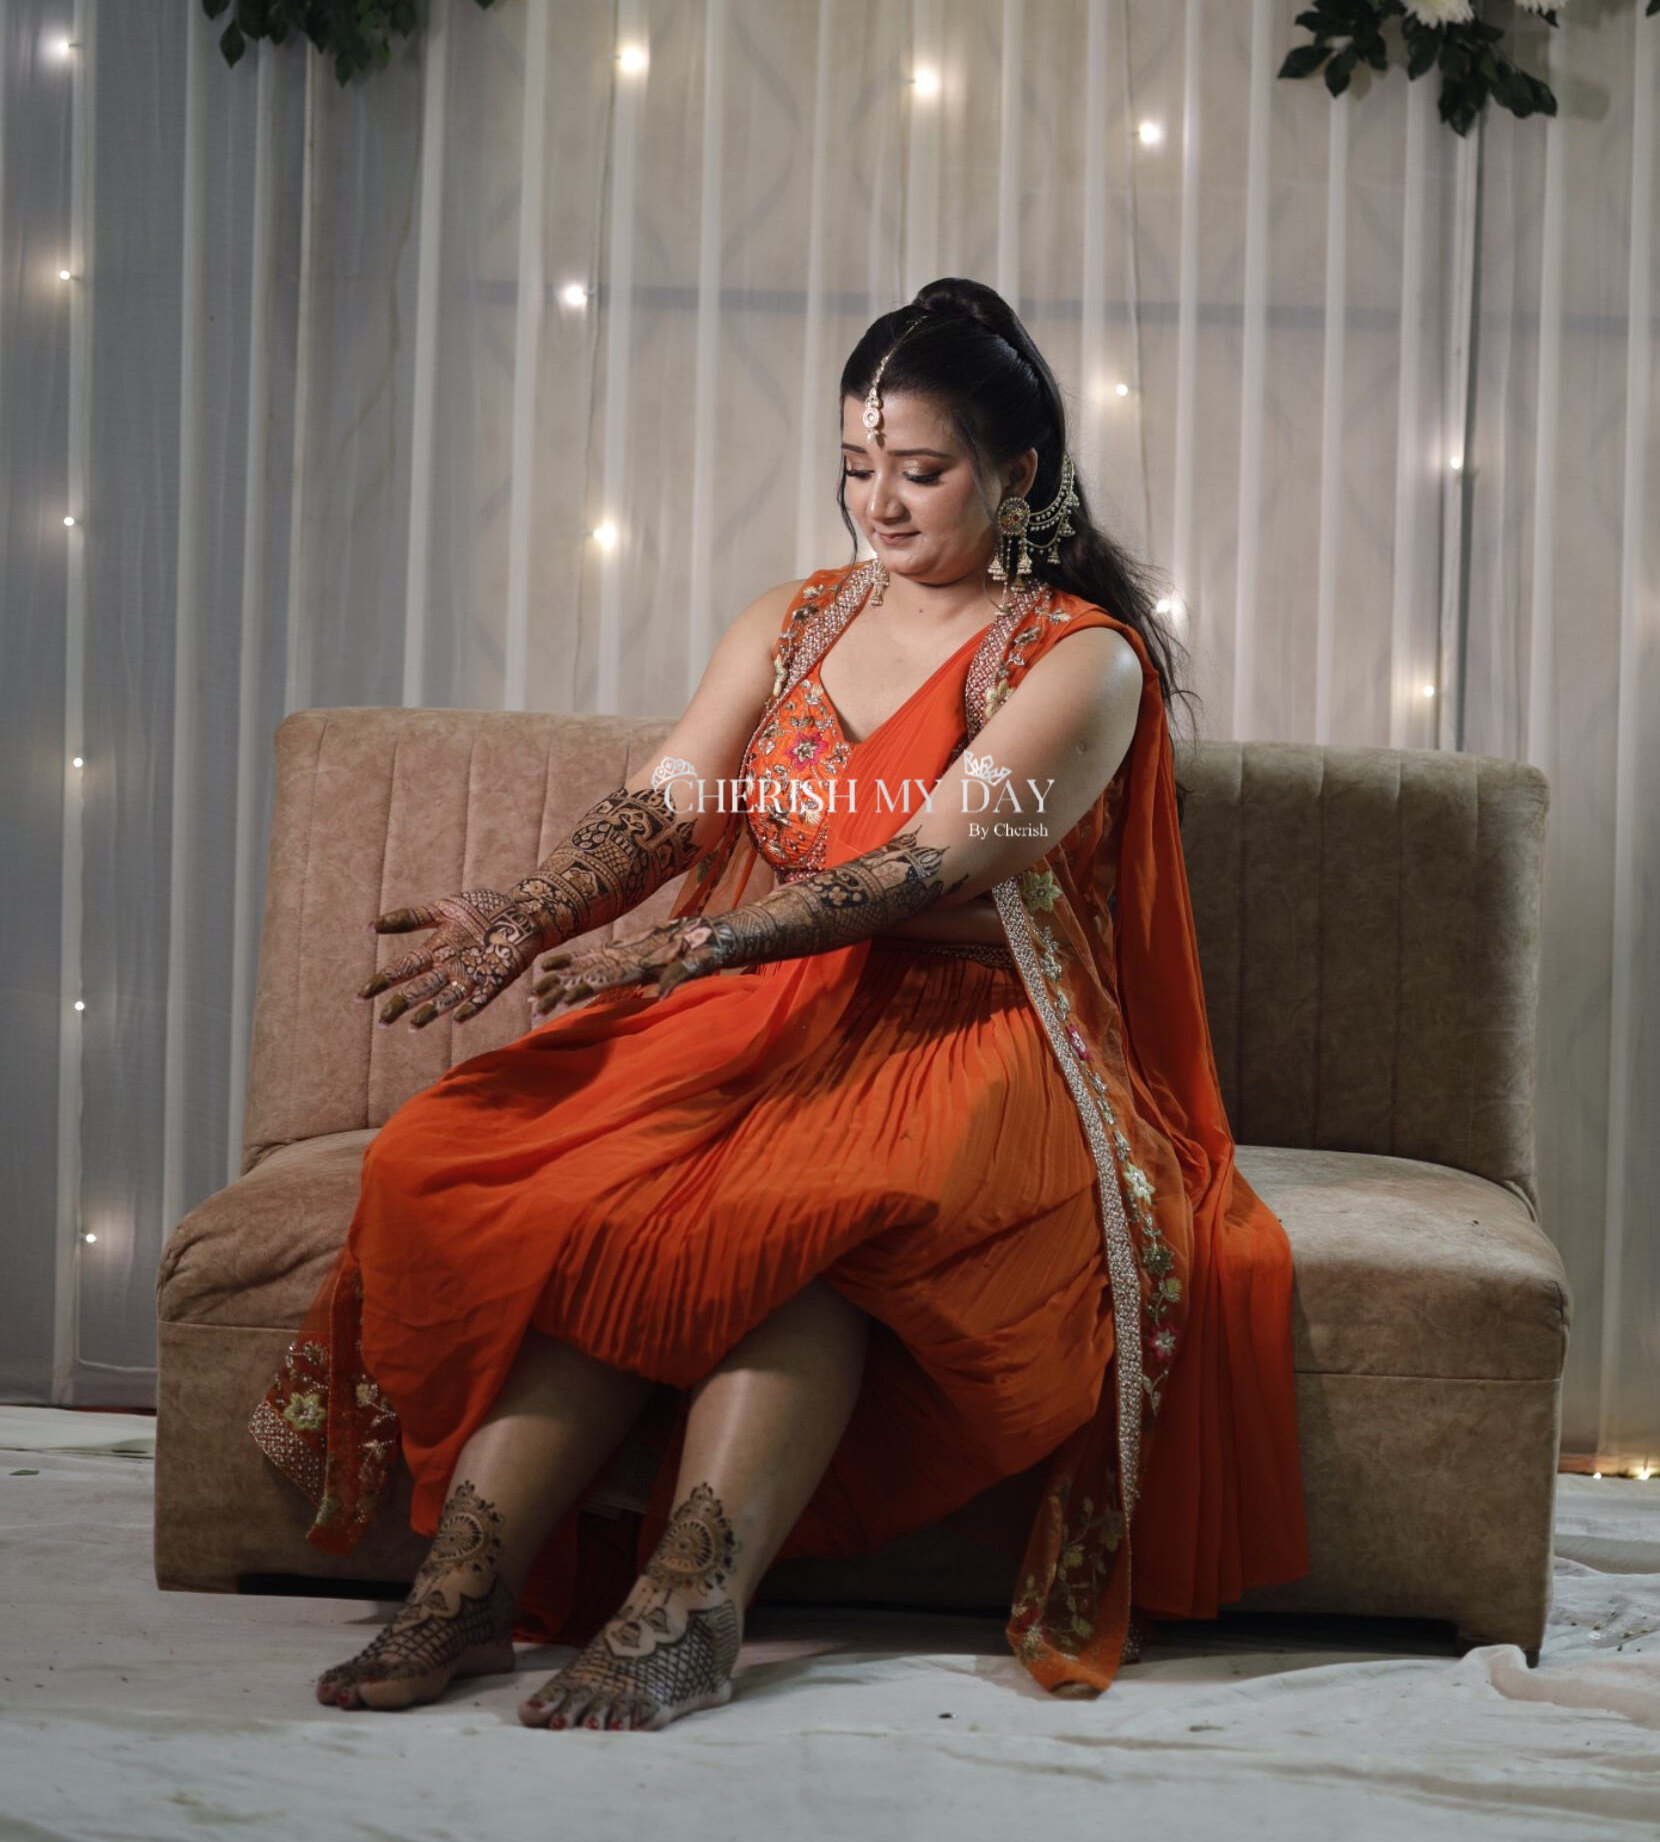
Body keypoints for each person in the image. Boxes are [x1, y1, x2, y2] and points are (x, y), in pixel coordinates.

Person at [251, 276, 1308, 1732]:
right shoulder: (796, 619)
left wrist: (692, 952)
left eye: (920, 471)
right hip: (759, 999)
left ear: (1021, 472)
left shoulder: (1079, 658)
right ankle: (467, 1590)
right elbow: (674, 800)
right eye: (857, 467)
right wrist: (528, 912)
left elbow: (940, 856)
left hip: (975, 1029)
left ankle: (690, 1609)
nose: (879, 500)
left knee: (803, 1218)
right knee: (549, 1185)